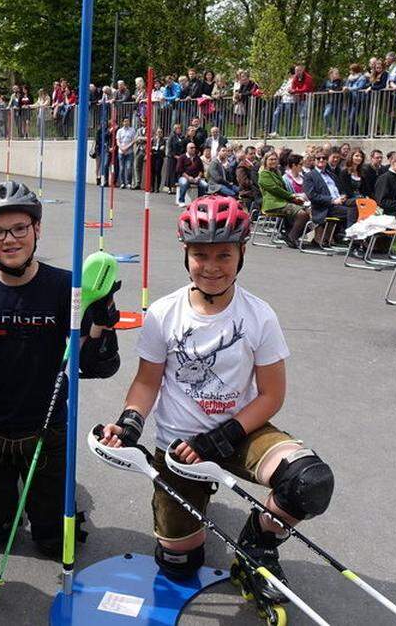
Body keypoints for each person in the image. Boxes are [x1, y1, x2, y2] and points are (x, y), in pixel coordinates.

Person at [99, 195, 332, 608]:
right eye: (199, 254)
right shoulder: (164, 313)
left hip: (242, 431)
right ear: (185, 255)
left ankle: (257, 545)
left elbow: (272, 395)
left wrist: (221, 437)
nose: (211, 266)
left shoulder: (259, 316)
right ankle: (192, 520)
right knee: (179, 564)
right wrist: (129, 423)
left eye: (224, 254)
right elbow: (146, 382)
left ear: (241, 253)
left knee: (309, 481)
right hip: (179, 449)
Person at [0, 181, 119, 558]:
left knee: (55, 542)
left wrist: (99, 325)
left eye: (19, 228)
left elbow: (92, 365)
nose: (9, 239)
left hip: (46, 430)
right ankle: (8, 505)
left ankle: (50, 503)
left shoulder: (65, 287)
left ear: (36, 229)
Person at [257, 151, 308, 248]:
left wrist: (295, 199)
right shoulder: (264, 174)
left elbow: (283, 189)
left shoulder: (277, 172)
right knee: (302, 214)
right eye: (271, 159)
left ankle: (290, 234)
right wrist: (292, 196)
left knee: (310, 213)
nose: (273, 161)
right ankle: (292, 237)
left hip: (283, 202)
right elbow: (275, 190)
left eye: (275, 159)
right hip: (273, 204)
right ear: (265, 161)